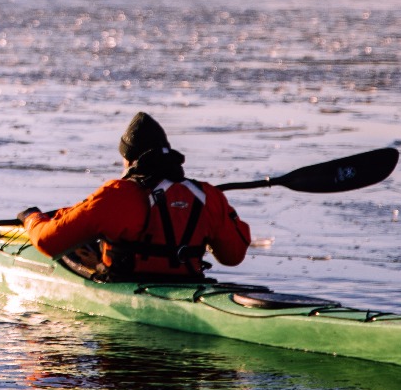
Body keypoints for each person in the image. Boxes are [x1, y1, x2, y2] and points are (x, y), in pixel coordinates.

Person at [19, 113, 251, 283]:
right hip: (190, 285)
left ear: (129, 161)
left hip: (128, 286)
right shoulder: (208, 195)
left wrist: (31, 218)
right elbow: (233, 256)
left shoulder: (116, 195)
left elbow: (47, 242)